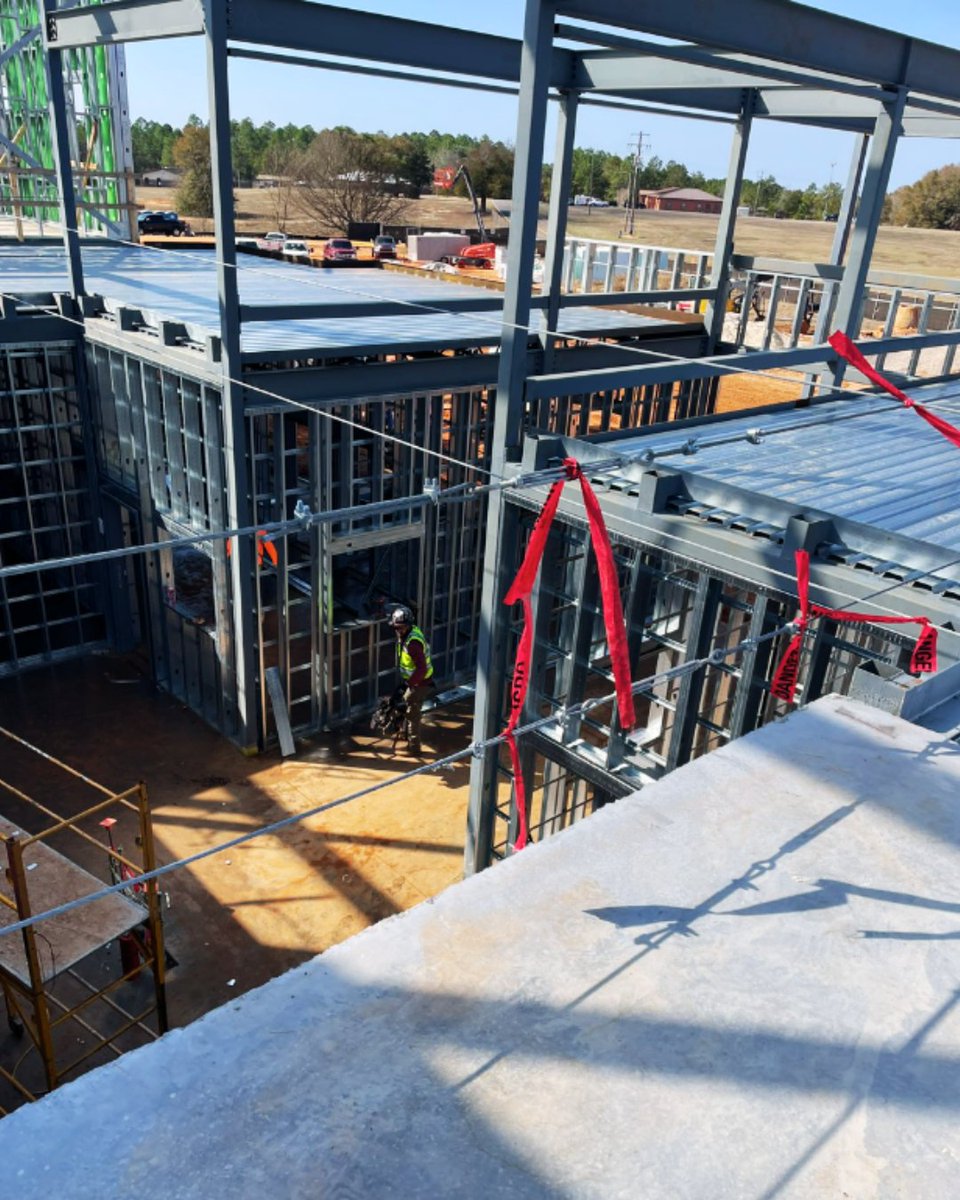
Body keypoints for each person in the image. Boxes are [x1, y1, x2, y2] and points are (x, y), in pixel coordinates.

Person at [387, 606, 433, 755]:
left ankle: (414, 748)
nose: (398, 631)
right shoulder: (409, 634)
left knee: (412, 713)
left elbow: (422, 669)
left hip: (420, 683)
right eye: (396, 627)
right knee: (406, 705)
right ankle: (404, 733)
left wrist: (409, 684)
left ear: (408, 625)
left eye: (401, 627)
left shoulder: (413, 644)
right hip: (414, 681)